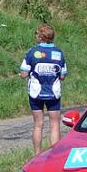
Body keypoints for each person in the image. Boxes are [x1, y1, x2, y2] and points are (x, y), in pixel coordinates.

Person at [19, 23, 68, 154]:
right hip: (53, 93)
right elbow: (62, 76)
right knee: (55, 125)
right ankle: (54, 156)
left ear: (41, 37)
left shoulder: (32, 52)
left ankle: (37, 155)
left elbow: (24, 74)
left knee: (38, 124)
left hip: (36, 93)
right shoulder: (59, 53)